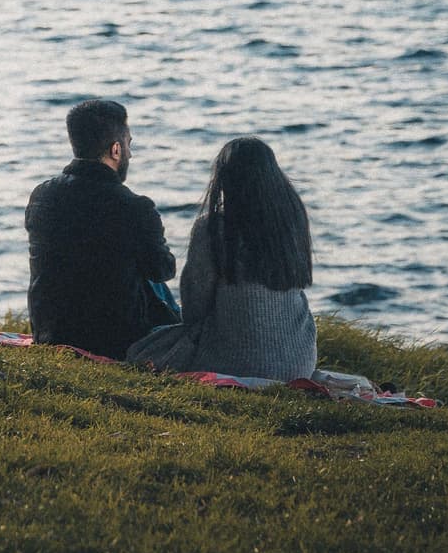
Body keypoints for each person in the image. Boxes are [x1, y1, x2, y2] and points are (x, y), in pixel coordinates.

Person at [127, 137, 318, 380]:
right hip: (299, 362)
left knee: (143, 348)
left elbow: (194, 307)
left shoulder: (214, 228)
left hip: (232, 362)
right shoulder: (292, 222)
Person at [24, 98, 179, 359]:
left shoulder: (41, 196)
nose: (130, 153)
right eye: (129, 144)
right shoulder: (135, 207)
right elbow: (163, 269)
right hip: (115, 342)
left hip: (51, 334)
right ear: (115, 149)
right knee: (154, 283)